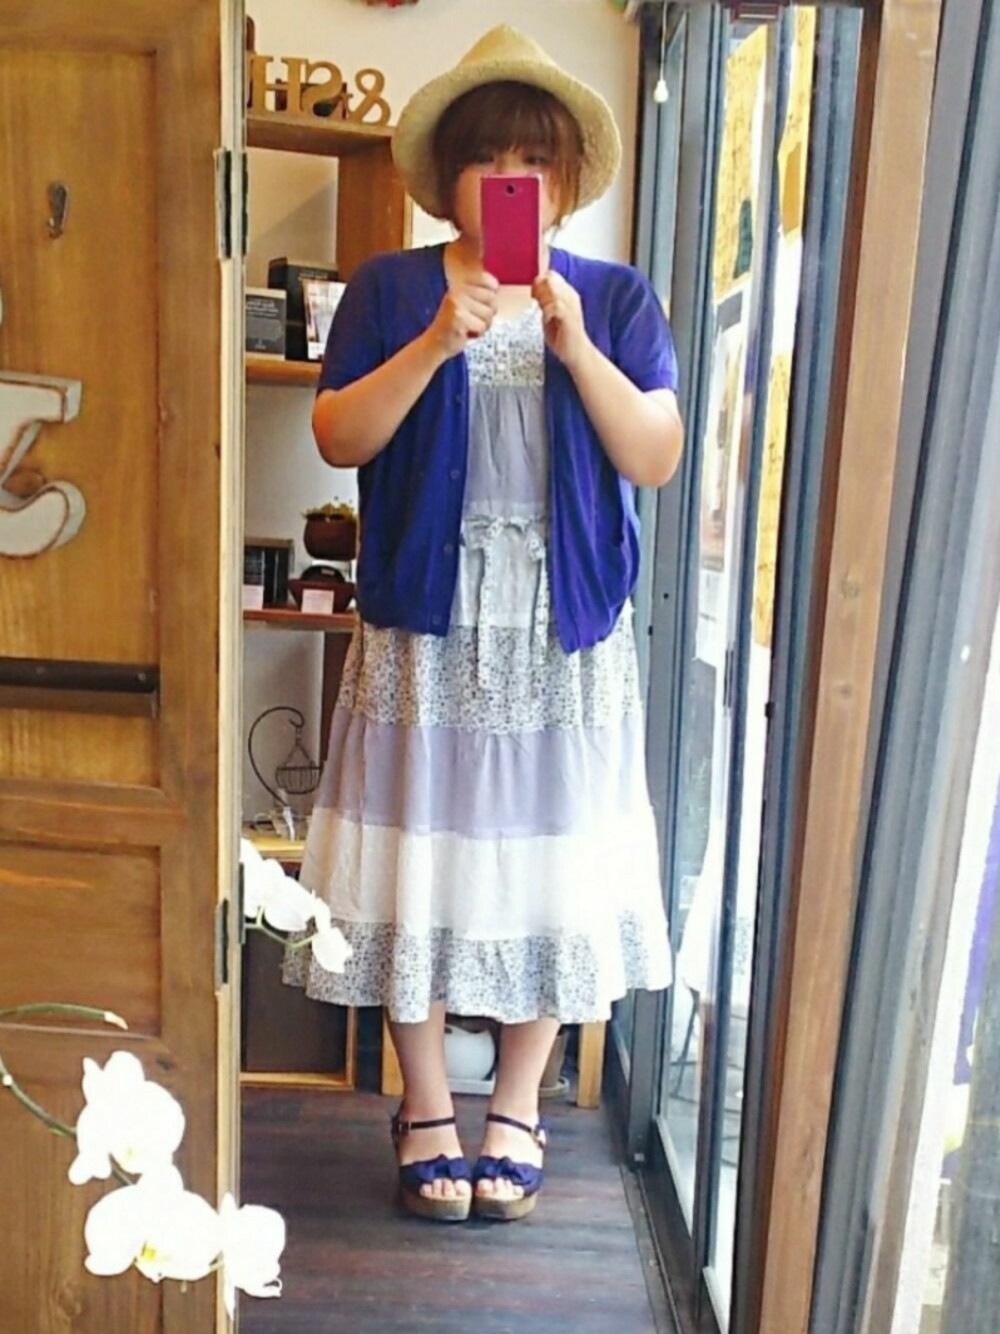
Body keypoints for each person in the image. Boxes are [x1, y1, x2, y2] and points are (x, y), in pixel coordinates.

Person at [284, 24, 683, 1223]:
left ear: (564, 179)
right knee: (417, 849)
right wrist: (431, 341)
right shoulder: (391, 287)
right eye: (489, 158)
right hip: (428, 618)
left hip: (561, 629)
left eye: (533, 160)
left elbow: (653, 455)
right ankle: (423, 1102)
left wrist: (574, 345)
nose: (513, 178)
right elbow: (339, 436)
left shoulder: (612, 297)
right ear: (448, 175)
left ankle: (515, 1101)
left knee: (555, 858)